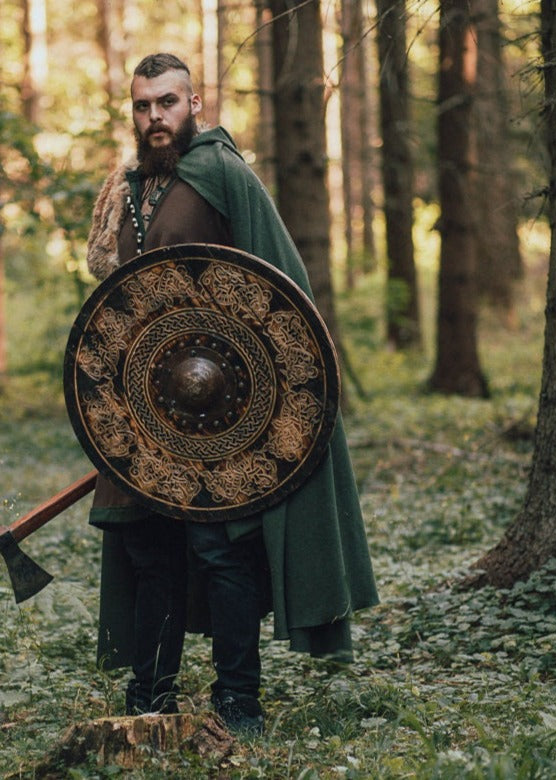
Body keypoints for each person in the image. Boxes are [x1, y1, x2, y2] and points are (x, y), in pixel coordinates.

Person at [84, 53, 378, 736]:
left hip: (223, 411)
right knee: (149, 548)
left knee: (221, 552)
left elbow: (280, 287)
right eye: (142, 106)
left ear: (195, 102)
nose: (154, 117)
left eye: (167, 102)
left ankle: (237, 703)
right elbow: (118, 307)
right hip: (144, 413)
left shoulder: (220, 176)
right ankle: (152, 694)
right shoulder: (128, 190)